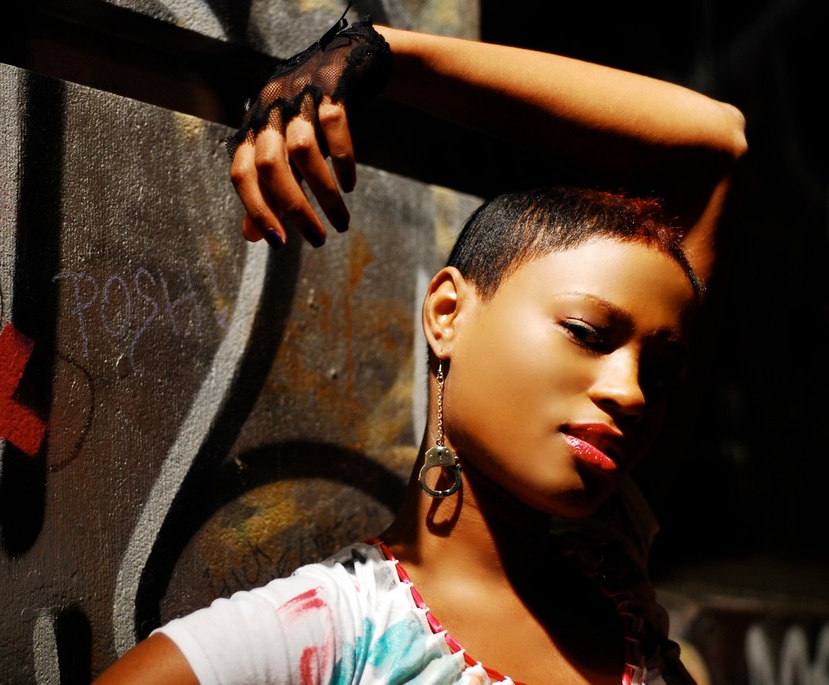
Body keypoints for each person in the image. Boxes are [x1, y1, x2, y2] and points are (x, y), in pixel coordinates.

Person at [96, 15, 746, 685]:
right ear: (447, 313)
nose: (632, 391)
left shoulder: (614, 564)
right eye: (586, 333)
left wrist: (382, 52)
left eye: (662, 375)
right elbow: (714, 144)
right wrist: (369, 51)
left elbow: (719, 142)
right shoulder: (326, 631)